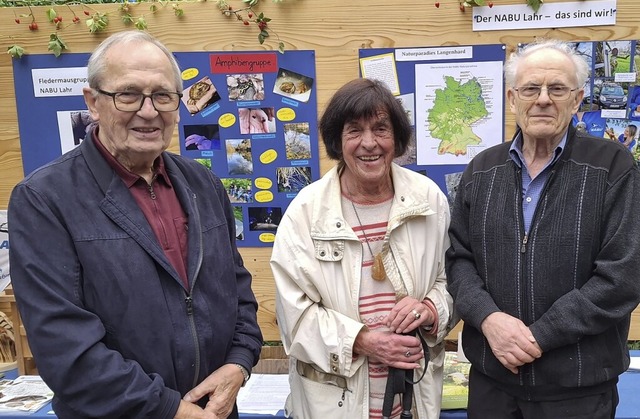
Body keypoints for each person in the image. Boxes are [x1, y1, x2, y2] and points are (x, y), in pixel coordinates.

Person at [8, 31, 262, 419]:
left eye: (163, 95)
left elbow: (238, 292)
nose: (149, 111)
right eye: (128, 94)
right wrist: (167, 408)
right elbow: (65, 348)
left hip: (214, 411)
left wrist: (239, 364)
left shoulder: (203, 184)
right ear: (92, 102)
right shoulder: (44, 200)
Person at [446, 38, 640, 419]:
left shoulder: (613, 168)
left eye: (557, 89)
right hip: (493, 385)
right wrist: (489, 319)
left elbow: (623, 275)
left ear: (578, 99)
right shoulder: (481, 170)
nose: (543, 99)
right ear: (511, 97)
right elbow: (458, 259)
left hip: (578, 392)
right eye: (531, 88)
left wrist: (539, 335)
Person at [270, 78, 454, 418]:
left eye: (381, 129)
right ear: (337, 142)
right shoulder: (306, 213)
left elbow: (452, 281)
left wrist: (430, 309)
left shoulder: (429, 201)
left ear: (396, 138)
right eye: (354, 130)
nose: (369, 143)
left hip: (413, 401)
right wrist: (364, 341)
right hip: (334, 404)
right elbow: (294, 317)